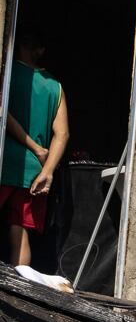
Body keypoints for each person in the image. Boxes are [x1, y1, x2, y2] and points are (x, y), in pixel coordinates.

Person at [1, 34, 69, 267]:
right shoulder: (55, 86)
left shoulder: (7, 71)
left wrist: (33, 146)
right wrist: (47, 171)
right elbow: (62, 134)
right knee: (19, 230)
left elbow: (2, 112)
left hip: (5, 161)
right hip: (32, 172)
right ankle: (22, 294)